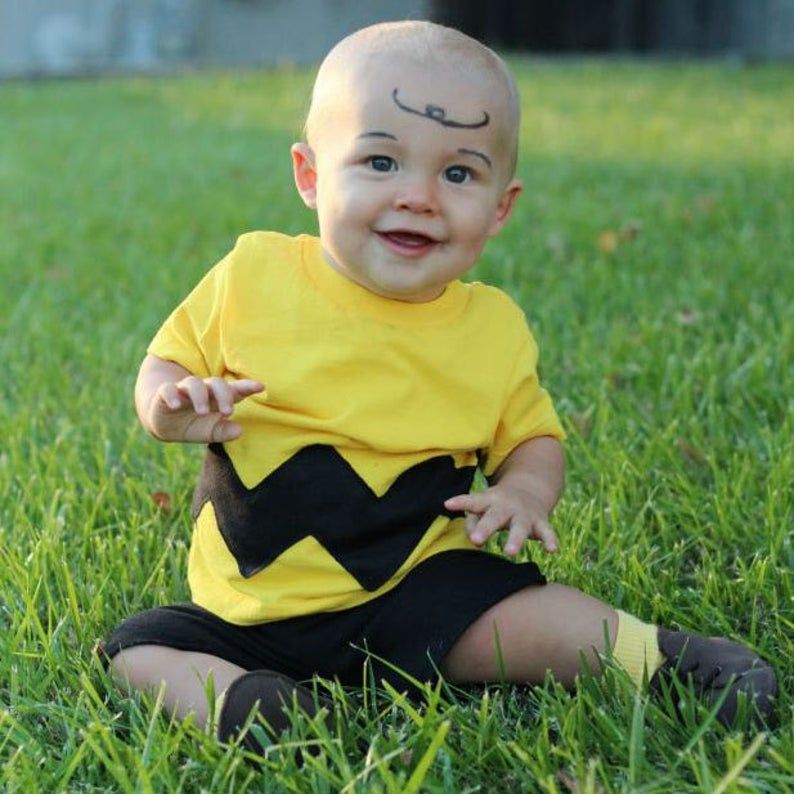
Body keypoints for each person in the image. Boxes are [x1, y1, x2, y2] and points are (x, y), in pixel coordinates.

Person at [102, 20, 775, 753]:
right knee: (137, 650)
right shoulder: (253, 277)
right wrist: (168, 407)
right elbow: (163, 366)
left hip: (423, 593)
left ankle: (665, 661)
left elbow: (533, 437)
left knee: (535, 616)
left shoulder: (490, 328)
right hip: (248, 614)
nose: (418, 197)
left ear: (499, 208)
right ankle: (251, 708)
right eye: (381, 161)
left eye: (457, 174)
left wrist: (523, 492)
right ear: (310, 176)